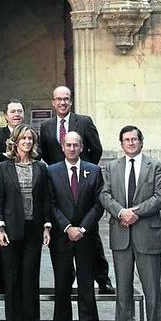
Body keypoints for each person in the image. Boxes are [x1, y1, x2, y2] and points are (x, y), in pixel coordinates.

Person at [40, 85, 113, 294]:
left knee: (91, 235)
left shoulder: (84, 121)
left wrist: (84, 174)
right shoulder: (46, 126)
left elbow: (96, 148)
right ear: (53, 102)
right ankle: (66, 277)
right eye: (58, 99)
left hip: (82, 185)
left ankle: (102, 277)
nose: (63, 102)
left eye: (66, 99)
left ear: (71, 101)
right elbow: (46, 153)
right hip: (58, 185)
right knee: (62, 238)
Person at [100, 126, 161, 321]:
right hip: (121, 234)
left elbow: (160, 197)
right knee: (123, 289)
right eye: (126, 140)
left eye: (134, 139)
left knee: (152, 291)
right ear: (121, 144)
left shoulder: (156, 166)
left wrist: (134, 212)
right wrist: (121, 212)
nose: (130, 143)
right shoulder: (111, 167)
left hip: (147, 234)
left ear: (141, 142)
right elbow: (105, 195)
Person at [0, 124, 51, 321]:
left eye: (30, 138)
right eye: (23, 138)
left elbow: (46, 199)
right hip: (10, 231)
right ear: (15, 141)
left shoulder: (41, 168)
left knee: (30, 281)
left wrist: (46, 226)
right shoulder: (3, 168)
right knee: (12, 281)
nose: (27, 141)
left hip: (33, 231)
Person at [48, 131, 103, 321]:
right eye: (68, 145)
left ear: (81, 147)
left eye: (76, 145)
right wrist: (67, 227)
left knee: (86, 285)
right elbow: (50, 203)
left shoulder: (94, 170)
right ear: (63, 147)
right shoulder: (51, 171)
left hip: (86, 236)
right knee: (62, 284)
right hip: (62, 237)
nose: (72, 148)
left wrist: (82, 228)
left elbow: (98, 204)